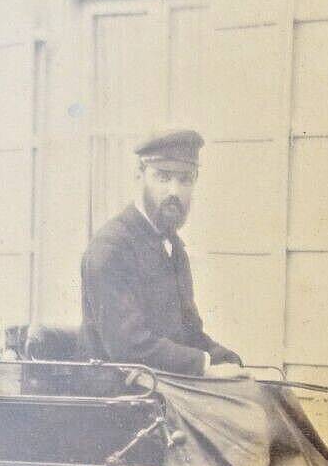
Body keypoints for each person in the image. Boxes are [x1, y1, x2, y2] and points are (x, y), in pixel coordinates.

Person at [80, 128, 245, 375]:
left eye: (185, 179)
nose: (174, 192)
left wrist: (228, 360)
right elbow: (128, 347)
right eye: (163, 177)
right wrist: (205, 366)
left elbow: (189, 334)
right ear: (140, 176)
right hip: (120, 390)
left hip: (162, 383)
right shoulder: (111, 248)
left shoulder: (173, 248)